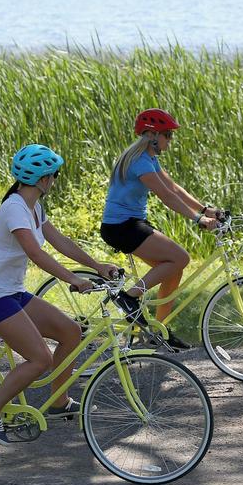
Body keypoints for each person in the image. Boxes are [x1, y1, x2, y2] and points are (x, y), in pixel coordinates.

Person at [0, 144, 119, 445]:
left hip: (12, 293)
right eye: (55, 176)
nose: (55, 181)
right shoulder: (14, 208)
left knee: (70, 332)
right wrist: (72, 279)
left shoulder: (34, 207)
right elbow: (35, 253)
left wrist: (97, 266)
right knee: (40, 359)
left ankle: (59, 402)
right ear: (42, 179)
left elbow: (60, 241)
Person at [99, 109, 218, 350]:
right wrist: (198, 219)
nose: (170, 140)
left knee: (173, 270)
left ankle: (158, 332)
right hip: (121, 227)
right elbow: (166, 196)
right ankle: (128, 297)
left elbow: (173, 188)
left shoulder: (149, 158)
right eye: (167, 135)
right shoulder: (140, 161)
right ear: (153, 135)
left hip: (131, 224)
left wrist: (206, 209)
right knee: (180, 258)